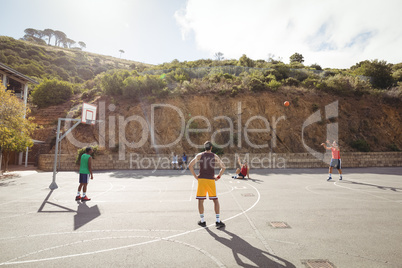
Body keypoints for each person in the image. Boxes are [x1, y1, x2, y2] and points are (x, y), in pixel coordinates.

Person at [188, 141, 226, 229]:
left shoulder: (199, 155)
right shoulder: (214, 156)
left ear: (204, 147)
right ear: (211, 147)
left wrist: (195, 176)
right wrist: (218, 177)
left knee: (200, 200)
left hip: (202, 180)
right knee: (215, 200)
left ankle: (202, 221)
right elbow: (223, 167)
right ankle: (217, 220)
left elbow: (190, 165)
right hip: (210, 180)